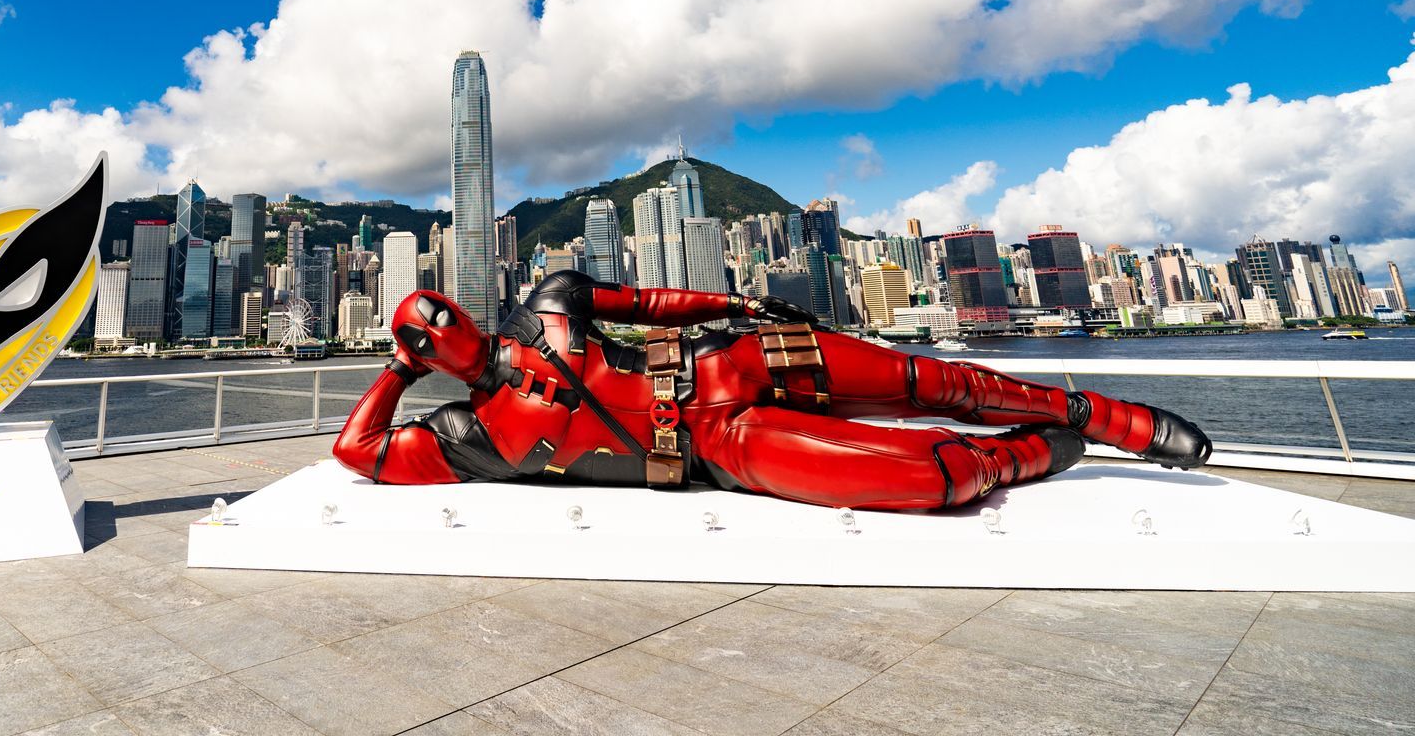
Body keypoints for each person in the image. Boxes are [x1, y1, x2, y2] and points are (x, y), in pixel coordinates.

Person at [334, 271, 1210, 510]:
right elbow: (356, 451)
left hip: (734, 360)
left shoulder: (550, 302)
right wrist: (398, 372)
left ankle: (1106, 417)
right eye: (417, 337)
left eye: (435, 312)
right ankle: (1029, 455)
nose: (434, 328)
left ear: (460, 306)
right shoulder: (469, 437)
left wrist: (739, 305)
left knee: (932, 380)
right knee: (922, 477)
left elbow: (649, 305)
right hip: (717, 449)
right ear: (420, 355)